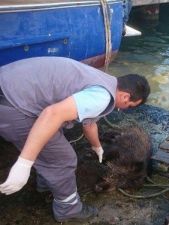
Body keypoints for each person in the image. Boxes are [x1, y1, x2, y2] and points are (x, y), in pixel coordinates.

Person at [0, 56, 150, 222]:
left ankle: (46, 184)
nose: (123, 110)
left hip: (9, 85)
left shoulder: (102, 80)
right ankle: (68, 208)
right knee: (64, 159)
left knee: (52, 145)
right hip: (11, 105)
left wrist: (97, 147)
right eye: (129, 107)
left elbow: (89, 124)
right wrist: (24, 163)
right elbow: (52, 114)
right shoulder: (102, 97)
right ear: (125, 97)